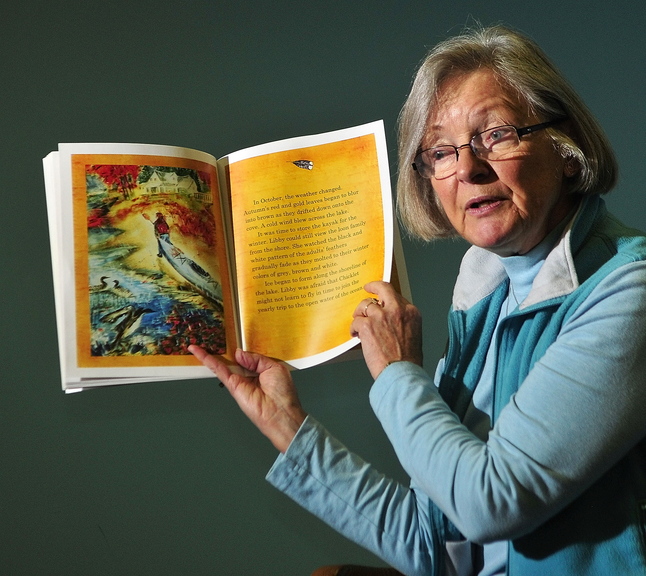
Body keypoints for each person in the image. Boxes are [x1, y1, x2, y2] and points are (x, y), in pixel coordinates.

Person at [189, 25, 646, 576]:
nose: (468, 169)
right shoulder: (486, 298)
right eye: (442, 152)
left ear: (568, 151)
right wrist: (286, 424)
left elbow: (490, 504)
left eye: (496, 135)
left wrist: (399, 376)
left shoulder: (629, 291)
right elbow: (434, 547)